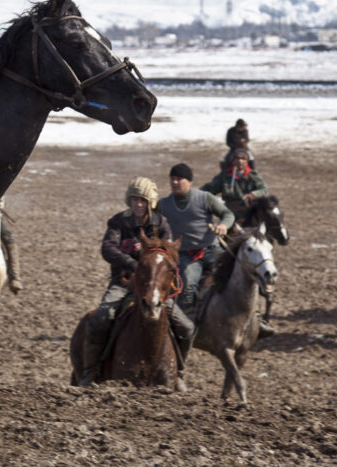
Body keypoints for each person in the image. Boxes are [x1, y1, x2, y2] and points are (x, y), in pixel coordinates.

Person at [77, 177, 196, 389]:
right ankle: (90, 371)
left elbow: (168, 255)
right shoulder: (118, 222)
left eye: (142, 200)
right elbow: (108, 248)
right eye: (134, 200)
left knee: (186, 327)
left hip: (155, 287)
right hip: (122, 284)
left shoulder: (162, 224)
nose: (138, 205)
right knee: (101, 318)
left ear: (149, 202)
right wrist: (133, 264)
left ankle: (179, 372)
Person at [157, 163, 235, 318]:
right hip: (187, 255)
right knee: (186, 289)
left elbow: (227, 213)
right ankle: (190, 325)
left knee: (237, 277)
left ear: (190, 181)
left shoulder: (204, 198)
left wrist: (224, 225)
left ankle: (254, 316)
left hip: (212, 249)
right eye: (172, 179)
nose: (174, 182)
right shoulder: (163, 205)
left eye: (179, 179)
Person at [201, 148, 269, 224]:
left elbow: (264, 189)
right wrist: (197, 195)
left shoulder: (253, 176)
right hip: (231, 212)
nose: (240, 161)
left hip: (250, 210)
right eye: (237, 159)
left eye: (243, 159)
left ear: (247, 161)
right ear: (232, 161)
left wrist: (252, 195)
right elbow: (210, 188)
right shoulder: (224, 177)